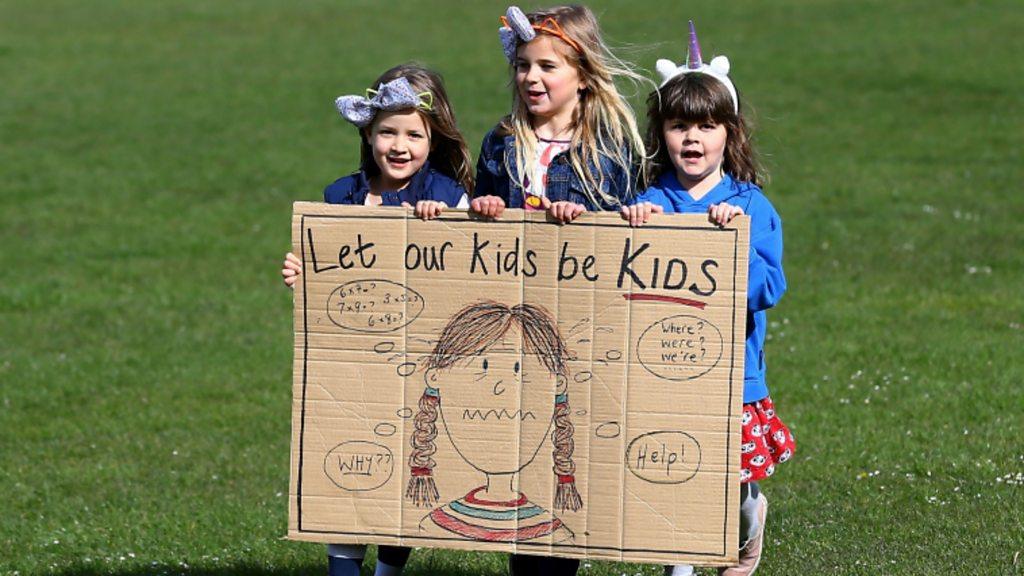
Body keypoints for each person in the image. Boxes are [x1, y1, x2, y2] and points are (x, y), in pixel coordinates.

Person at [280, 63, 474, 576]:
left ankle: (389, 568)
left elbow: (472, 276)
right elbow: (328, 274)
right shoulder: (338, 196)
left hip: (417, 364)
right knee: (344, 461)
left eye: (414, 134)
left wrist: (449, 224)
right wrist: (304, 270)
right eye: (387, 131)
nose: (399, 145)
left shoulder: (449, 198)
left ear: (436, 137)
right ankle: (342, 567)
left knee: (402, 471)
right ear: (367, 132)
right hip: (351, 366)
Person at [621, 22, 796, 576]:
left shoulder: (750, 206)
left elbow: (769, 288)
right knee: (676, 477)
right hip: (660, 370)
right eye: (679, 126)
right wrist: (633, 231)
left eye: (706, 125)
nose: (692, 139)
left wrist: (734, 246)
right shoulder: (646, 202)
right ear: (662, 132)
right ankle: (682, 566)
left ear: (730, 132)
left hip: (732, 373)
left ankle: (751, 522)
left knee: (733, 486)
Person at [470, 5, 646, 223]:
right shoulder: (500, 142)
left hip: (577, 257)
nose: (531, 76)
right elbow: (476, 220)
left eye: (547, 66)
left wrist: (582, 217)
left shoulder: (609, 149)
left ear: (583, 77)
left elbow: (625, 223)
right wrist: (485, 205)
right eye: (523, 65)